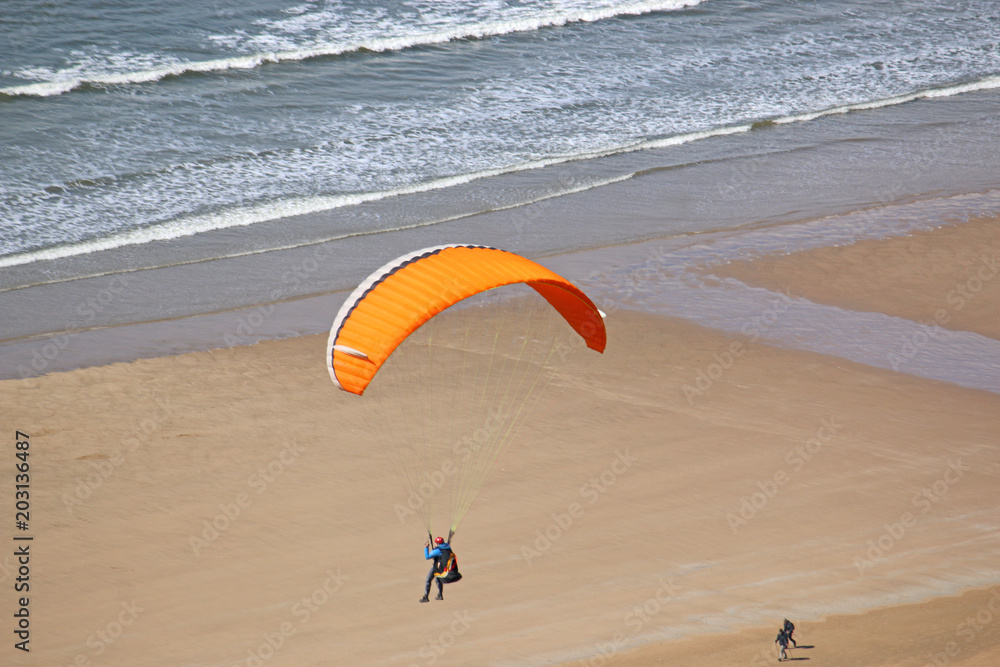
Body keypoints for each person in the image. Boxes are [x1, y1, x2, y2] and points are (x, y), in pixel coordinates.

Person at [420, 536, 460, 603]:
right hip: (442, 567)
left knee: (428, 580)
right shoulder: (447, 547)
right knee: (437, 579)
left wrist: (426, 548)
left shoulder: (438, 550)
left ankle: (426, 596)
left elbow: (427, 557)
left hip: (437, 566)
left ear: (438, 543)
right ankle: (440, 594)